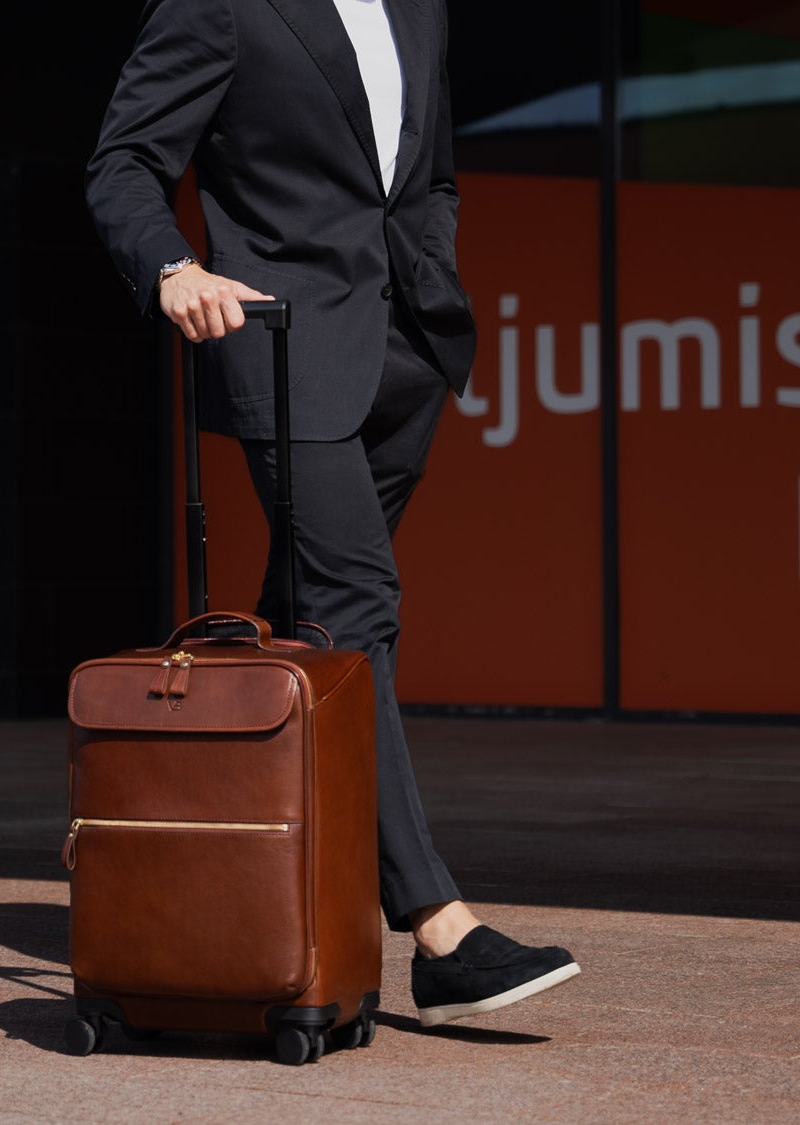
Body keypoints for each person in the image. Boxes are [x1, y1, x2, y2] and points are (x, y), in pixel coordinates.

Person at [88, 0, 582, 1026]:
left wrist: (431, 276)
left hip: (407, 355)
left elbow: (429, 173)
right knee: (357, 601)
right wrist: (172, 268)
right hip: (283, 348)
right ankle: (435, 924)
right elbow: (121, 164)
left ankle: (197, 827)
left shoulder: (421, 8)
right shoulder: (217, 7)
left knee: (302, 621)